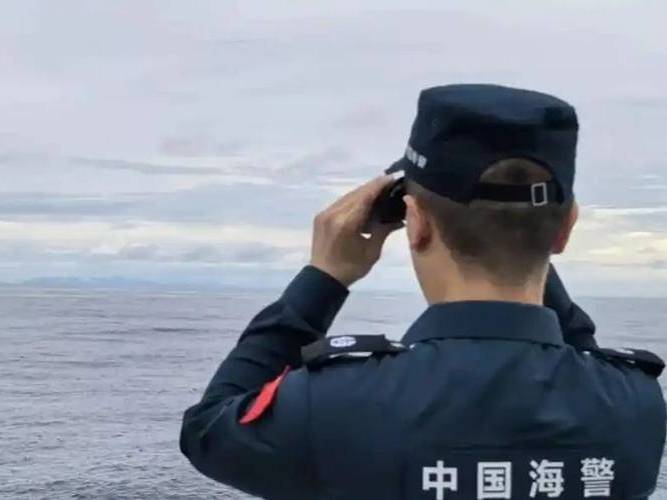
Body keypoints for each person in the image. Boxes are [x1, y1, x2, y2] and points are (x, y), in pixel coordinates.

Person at [179, 84, 665, 499]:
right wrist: (525, 235)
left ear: (414, 223)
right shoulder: (635, 405)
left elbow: (208, 432)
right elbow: (583, 358)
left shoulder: (330, 404)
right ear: (566, 229)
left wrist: (324, 276)